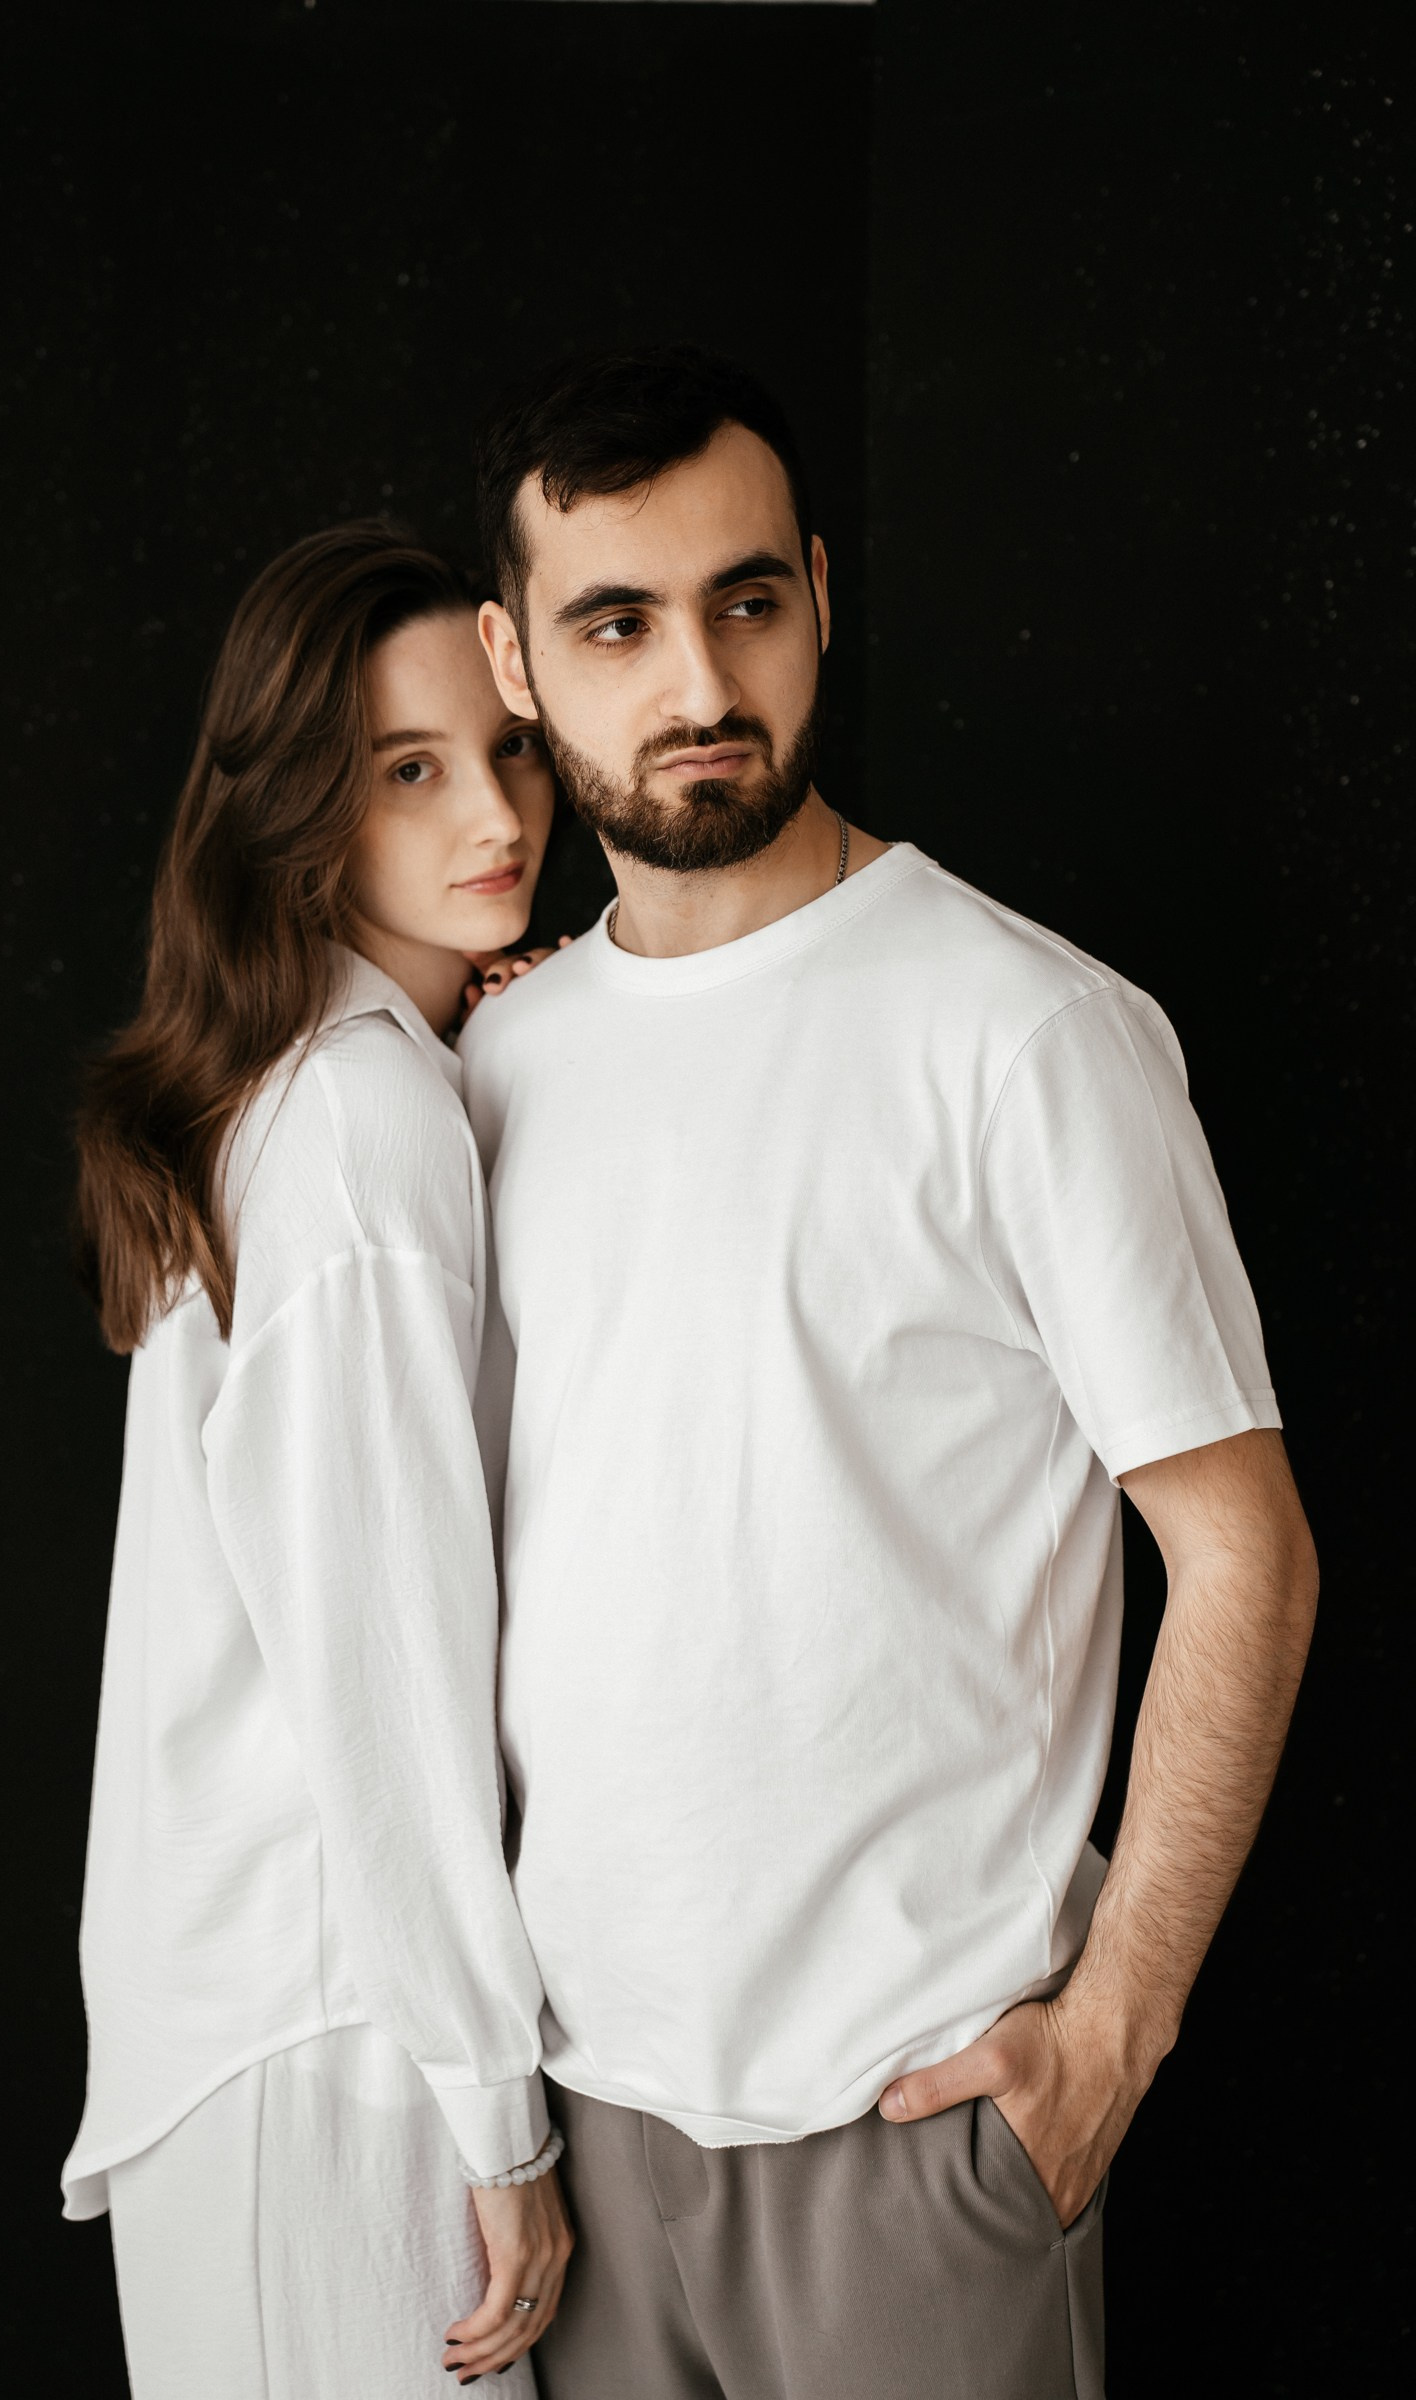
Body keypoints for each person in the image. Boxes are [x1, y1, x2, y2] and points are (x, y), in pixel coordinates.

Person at [460, 347, 1318, 2400]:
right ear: (512, 659)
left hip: (918, 2135)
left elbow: (1246, 1558)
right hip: (571, 2140)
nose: (700, 683)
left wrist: (1109, 2040)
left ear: (822, 598)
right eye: (616, 623)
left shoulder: (1023, 1032)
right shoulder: (495, 1064)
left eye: (746, 600)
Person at [63, 523, 573, 2397]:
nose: (495, 815)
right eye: (408, 771)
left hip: (283, 2020)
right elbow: (385, 1666)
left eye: (507, 750)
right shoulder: (355, 1126)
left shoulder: (320, 1082)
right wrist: (498, 2114)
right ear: (298, 809)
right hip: (338, 2030)